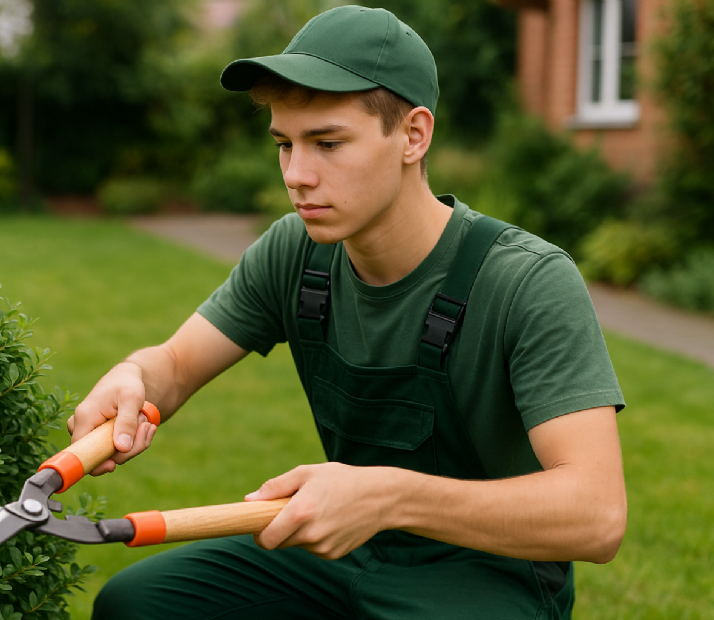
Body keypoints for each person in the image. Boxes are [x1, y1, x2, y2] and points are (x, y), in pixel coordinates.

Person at [70, 6, 627, 619]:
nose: (296, 175)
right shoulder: (294, 253)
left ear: (414, 135)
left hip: (487, 571)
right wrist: (134, 378)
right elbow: (174, 365)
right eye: (284, 144)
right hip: (342, 548)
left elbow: (596, 514)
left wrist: (389, 496)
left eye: (328, 143)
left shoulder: (527, 281)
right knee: (137, 604)